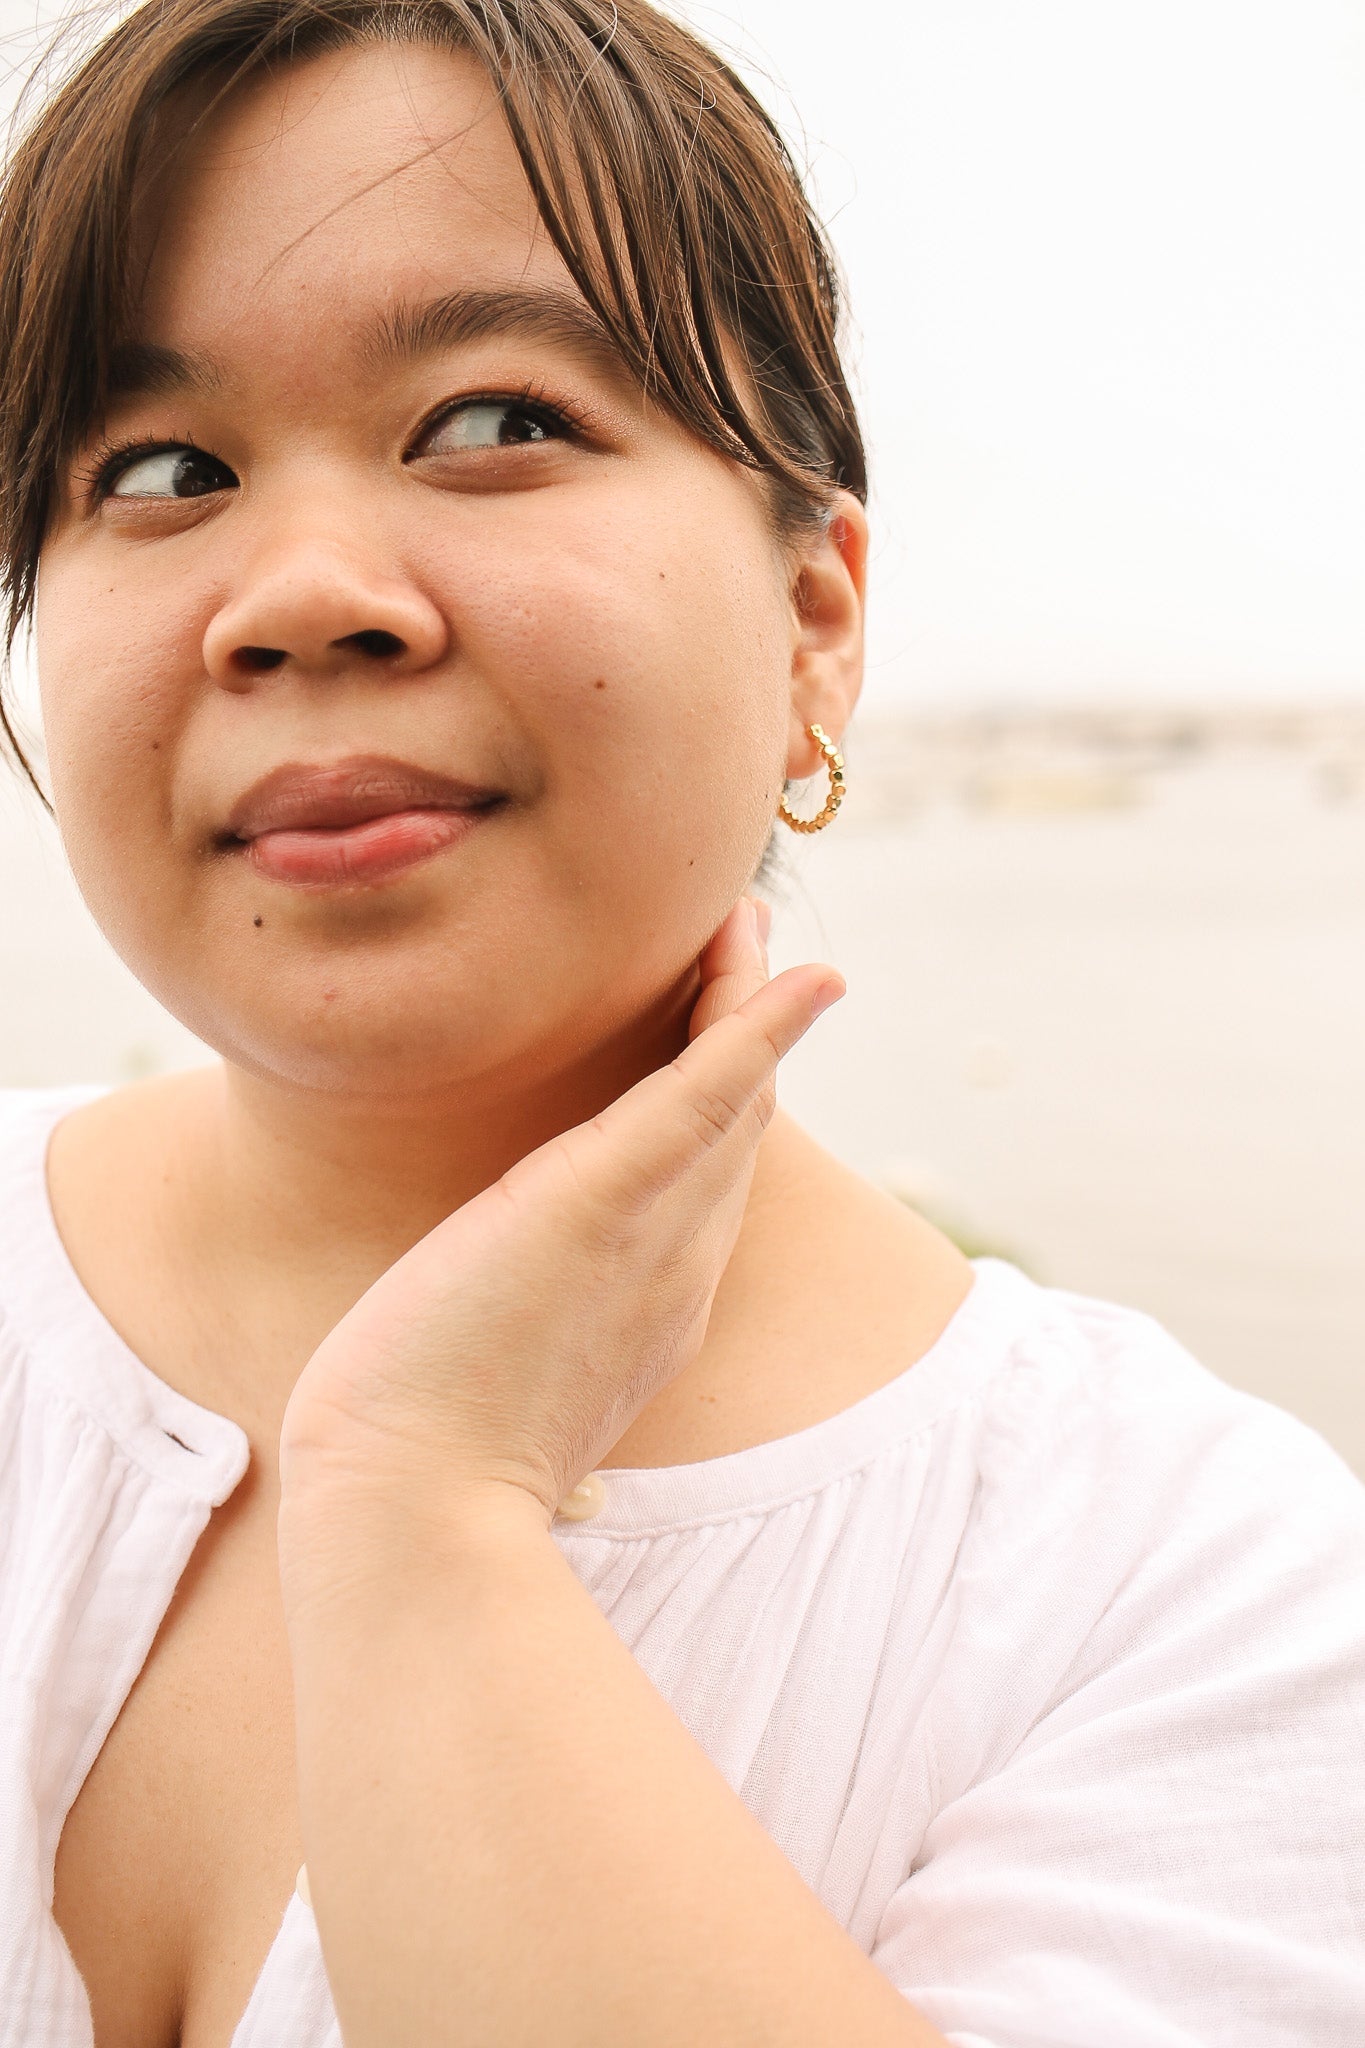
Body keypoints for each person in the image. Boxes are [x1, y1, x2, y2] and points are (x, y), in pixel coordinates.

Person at [0, 3, 1361, 2044]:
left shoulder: (1179, 1593)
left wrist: (426, 1498)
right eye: (161, 468)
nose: (294, 595)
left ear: (815, 619)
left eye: (489, 421)